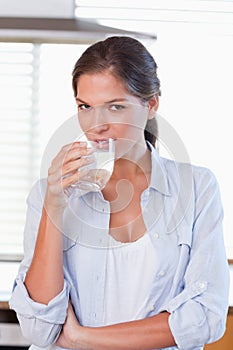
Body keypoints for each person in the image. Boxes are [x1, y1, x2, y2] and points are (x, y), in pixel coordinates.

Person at [10, 36, 229, 350]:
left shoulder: (196, 188)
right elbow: (40, 328)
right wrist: (54, 203)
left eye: (115, 106)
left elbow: (205, 317)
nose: (96, 125)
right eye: (85, 107)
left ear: (151, 104)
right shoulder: (49, 193)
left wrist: (81, 338)